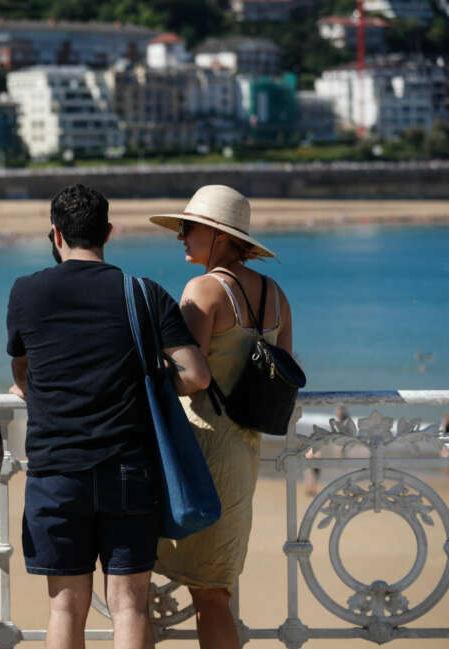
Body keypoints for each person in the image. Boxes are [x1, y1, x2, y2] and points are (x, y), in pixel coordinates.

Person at [6, 184, 210, 649]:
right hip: (128, 469)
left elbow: (23, 367)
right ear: (109, 233)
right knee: (129, 605)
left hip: (56, 470)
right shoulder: (143, 293)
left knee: (64, 607)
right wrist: (155, 379)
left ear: (55, 234)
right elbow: (196, 376)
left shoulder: (27, 292)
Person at [149, 184, 294, 649]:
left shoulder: (204, 290)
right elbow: (283, 373)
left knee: (174, 584)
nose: (181, 237)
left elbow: (190, 374)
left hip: (201, 445)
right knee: (216, 589)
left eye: (188, 228)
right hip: (245, 448)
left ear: (219, 236)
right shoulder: (276, 295)